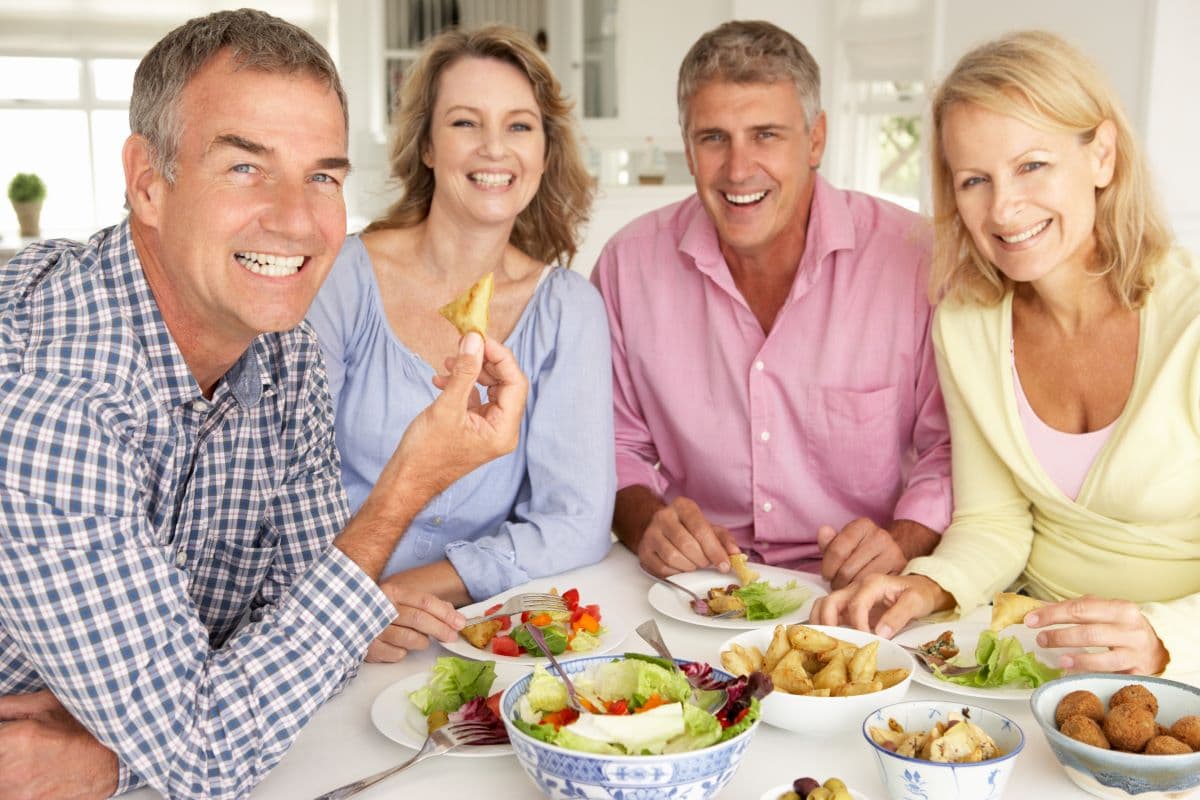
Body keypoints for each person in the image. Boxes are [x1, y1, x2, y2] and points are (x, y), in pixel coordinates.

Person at [0, 10, 527, 798]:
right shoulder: (49, 394)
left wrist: (108, 753)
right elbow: (211, 751)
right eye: (246, 167)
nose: (297, 220)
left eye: (324, 177)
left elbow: (304, 642)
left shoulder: (285, 354)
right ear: (148, 183)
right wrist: (407, 486)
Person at [809, 31, 1199, 677]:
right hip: (1027, 649)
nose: (1004, 208)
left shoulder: (1189, 325)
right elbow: (993, 520)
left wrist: (1163, 640)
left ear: (1102, 156)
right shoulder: (968, 324)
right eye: (974, 180)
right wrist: (928, 586)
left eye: (1032, 165)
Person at [591, 20, 951, 585]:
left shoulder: (916, 261)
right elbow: (612, 444)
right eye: (714, 138)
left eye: (766, 135)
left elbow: (949, 449)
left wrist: (902, 543)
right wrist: (647, 525)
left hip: (863, 589)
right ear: (688, 148)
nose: (738, 170)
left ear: (815, 139)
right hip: (694, 585)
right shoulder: (626, 266)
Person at [307, 25, 614, 663]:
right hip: (316, 627)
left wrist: (414, 588)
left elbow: (576, 522)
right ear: (426, 145)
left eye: (520, 126)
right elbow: (280, 487)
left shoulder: (569, 309)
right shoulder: (341, 276)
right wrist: (349, 603)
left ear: (545, 151)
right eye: (465, 122)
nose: (494, 148)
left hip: (472, 637)